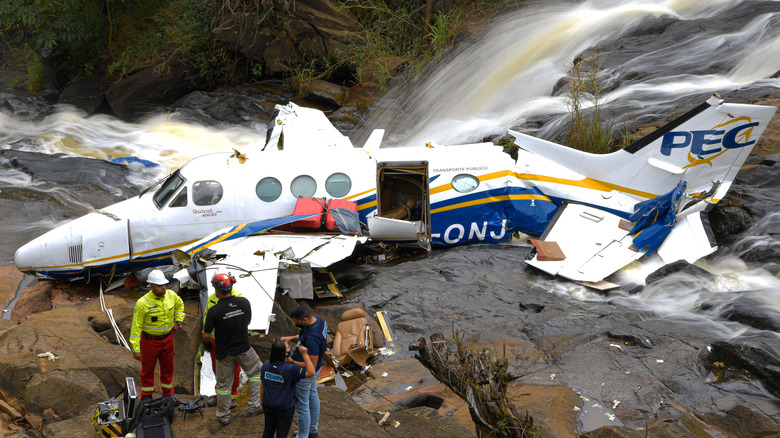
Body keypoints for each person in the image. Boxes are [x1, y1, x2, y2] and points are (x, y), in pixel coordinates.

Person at [202, 272, 263, 426]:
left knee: (223, 385)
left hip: (224, 352)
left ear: (217, 290)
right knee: (256, 372)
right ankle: (254, 406)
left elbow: (206, 334)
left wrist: (208, 344)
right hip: (244, 349)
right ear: (231, 287)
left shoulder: (214, 310)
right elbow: (247, 322)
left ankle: (223, 416)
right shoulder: (244, 302)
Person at [129, 269, 186, 400]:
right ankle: (147, 397)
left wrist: (178, 321)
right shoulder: (143, 303)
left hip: (168, 339)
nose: (163, 288)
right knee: (147, 370)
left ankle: (168, 394)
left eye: (164, 285)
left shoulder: (171, 295)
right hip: (149, 341)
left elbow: (180, 306)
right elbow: (136, 328)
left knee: (168, 368)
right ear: (151, 286)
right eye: (159, 286)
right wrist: (136, 350)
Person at [280, 305, 327, 438]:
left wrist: (291, 362)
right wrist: (290, 338)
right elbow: (302, 336)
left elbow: (310, 365)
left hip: (305, 373)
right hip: (317, 369)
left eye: (297, 322)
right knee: (312, 395)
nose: (296, 324)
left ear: (305, 319)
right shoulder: (319, 320)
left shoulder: (312, 339)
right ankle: (312, 430)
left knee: (301, 406)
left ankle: (302, 435)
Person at [203, 274, 244, 407]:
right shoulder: (211, 299)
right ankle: (220, 395)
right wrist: (207, 336)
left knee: (234, 369)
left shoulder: (239, 298)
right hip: (216, 340)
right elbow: (206, 317)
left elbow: (245, 319)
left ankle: (232, 396)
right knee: (217, 368)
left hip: (232, 339)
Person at [260, 340, 315, 438]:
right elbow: (311, 372)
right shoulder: (291, 369)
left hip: (268, 404)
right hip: (285, 407)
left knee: (268, 429)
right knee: (282, 433)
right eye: (288, 347)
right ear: (283, 353)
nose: (290, 348)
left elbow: (262, 383)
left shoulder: (266, 365)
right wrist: (305, 354)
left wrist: (261, 399)